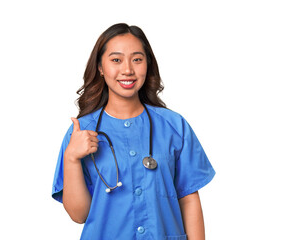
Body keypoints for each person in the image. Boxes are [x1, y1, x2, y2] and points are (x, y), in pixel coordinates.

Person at [52, 23, 215, 240]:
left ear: (148, 64)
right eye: (116, 60)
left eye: (137, 59)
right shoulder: (81, 132)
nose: (127, 70)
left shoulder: (174, 126)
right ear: (100, 67)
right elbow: (79, 214)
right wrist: (71, 158)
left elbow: (188, 199)